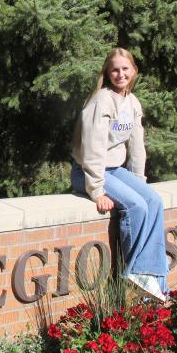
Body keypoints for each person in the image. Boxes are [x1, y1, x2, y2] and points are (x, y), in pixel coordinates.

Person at [70, 47, 168, 301]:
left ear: (134, 71)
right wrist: (96, 189)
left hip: (116, 169)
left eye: (125, 68)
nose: (120, 74)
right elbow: (92, 146)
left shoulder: (132, 102)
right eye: (115, 69)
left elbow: (137, 147)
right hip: (89, 171)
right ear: (107, 72)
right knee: (136, 206)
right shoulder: (102, 100)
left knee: (153, 201)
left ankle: (155, 280)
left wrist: (139, 182)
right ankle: (137, 274)